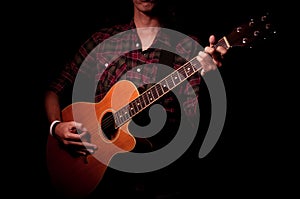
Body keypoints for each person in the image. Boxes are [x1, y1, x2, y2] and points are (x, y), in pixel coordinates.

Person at [44, 0, 227, 198]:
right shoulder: (103, 40)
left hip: (158, 183)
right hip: (97, 178)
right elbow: (54, 88)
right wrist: (56, 127)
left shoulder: (186, 47)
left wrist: (209, 77)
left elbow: (193, 122)